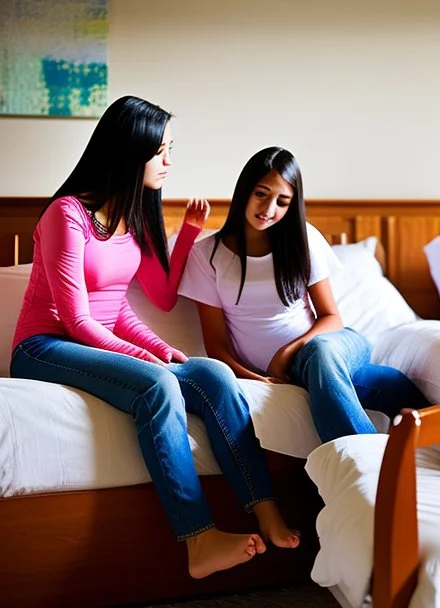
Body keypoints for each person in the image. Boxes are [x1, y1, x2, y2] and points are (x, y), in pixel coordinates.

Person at [9, 96, 299, 579]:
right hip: (45, 347)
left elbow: (117, 306)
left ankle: (263, 506)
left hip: (90, 341)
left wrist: (161, 347)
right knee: (158, 385)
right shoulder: (67, 214)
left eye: (170, 149)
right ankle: (198, 538)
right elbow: (78, 319)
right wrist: (150, 361)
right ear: (128, 151)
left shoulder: (133, 219)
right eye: (160, 151)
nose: (169, 163)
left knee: (213, 374)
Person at [178, 146, 428, 443]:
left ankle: (366, 466)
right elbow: (216, 345)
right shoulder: (207, 255)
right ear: (245, 190)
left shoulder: (303, 239)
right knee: (394, 389)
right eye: (261, 194)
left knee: (321, 354)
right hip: (302, 371)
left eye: (282, 202)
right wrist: (256, 378)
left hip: (332, 344)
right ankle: (400, 463)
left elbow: (331, 317)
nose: (269, 210)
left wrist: (285, 353)